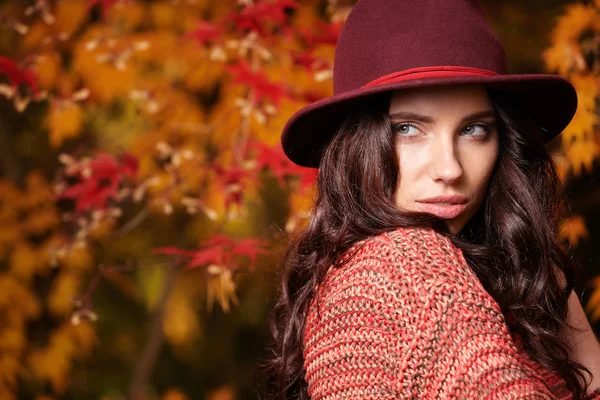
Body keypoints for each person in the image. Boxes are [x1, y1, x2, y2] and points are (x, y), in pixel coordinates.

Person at [259, 0, 600, 398]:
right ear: (358, 144)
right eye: (408, 128)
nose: (450, 168)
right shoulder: (402, 263)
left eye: (474, 130)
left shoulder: (516, 276)